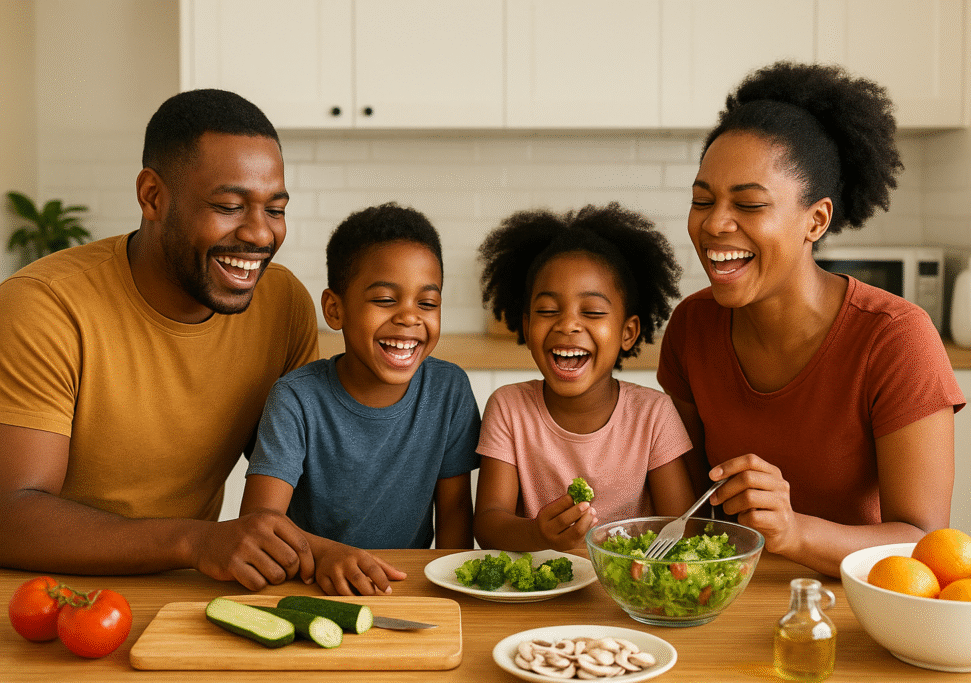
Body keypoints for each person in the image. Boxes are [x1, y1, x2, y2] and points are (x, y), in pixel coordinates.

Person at [0, 89, 321, 590]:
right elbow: (10, 517)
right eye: (229, 205)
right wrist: (195, 542)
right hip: (46, 596)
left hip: (186, 589)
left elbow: (297, 471)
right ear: (152, 196)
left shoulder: (283, 306)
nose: (260, 234)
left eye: (275, 210)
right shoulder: (44, 306)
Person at [657, 61, 965, 577]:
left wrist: (793, 531)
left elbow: (923, 546)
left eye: (749, 205)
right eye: (701, 200)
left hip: (853, 611)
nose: (714, 223)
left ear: (816, 220)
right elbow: (687, 510)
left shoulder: (893, 338)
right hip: (724, 599)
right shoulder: (692, 326)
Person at [240, 203, 481, 595]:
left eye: (427, 303)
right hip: (312, 584)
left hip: (407, 587)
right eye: (386, 300)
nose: (409, 317)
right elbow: (258, 522)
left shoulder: (448, 390)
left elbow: (454, 511)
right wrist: (324, 554)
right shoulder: (295, 399)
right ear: (335, 309)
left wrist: (449, 590)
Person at [474, 202, 695, 551]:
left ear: (628, 332)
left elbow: (681, 530)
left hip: (628, 596)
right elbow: (488, 523)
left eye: (592, 311)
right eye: (548, 311)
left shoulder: (653, 415)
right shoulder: (509, 407)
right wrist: (536, 534)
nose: (568, 325)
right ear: (528, 327)